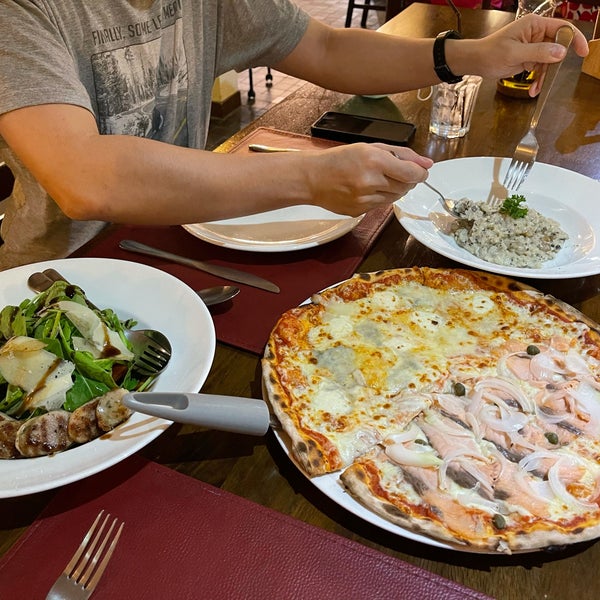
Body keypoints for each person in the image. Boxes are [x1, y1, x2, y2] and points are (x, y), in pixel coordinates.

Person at [0, 0, 588, 271]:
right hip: (60, 274)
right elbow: (84, 179)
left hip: (185, 234)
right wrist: (311, 178)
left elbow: (324, 46)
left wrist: (470, 54)